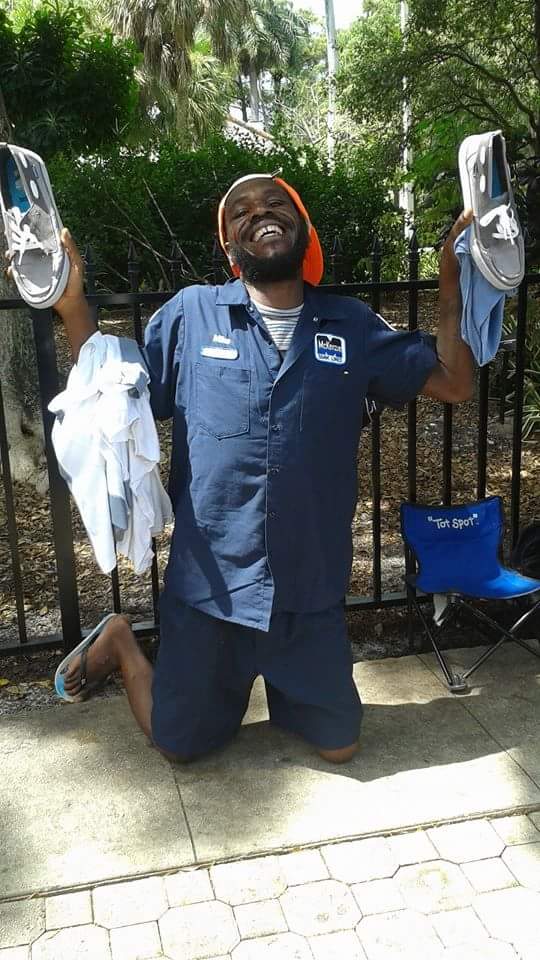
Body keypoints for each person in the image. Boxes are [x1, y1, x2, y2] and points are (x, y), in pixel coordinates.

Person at [43, 174, 474, 764]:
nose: (260, 214)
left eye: (276, 204)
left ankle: (290, 691)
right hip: (212, 590)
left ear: (304, 230)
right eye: (241, 212)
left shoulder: (350, 324)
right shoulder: (193, 314)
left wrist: (452, 284)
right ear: (229, 246)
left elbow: (454, 383)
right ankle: (122, 642)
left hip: (308, 587)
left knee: (341, 748)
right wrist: (72, 305)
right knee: (178, 747)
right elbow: (114, 392)